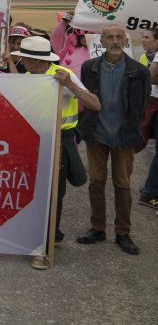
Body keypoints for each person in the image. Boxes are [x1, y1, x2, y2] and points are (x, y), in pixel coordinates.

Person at [12, 36, 100, 269]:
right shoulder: (31, 77)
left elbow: (95, 104)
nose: (20, 60)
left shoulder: (62, 74)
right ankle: (51, 235)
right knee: (37, 191)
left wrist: (69, 85)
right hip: (36, 142)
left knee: (52, 195)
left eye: (23, 57)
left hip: (60, 142)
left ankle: (44, 248)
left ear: (34, 60)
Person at [77, 25, 150, 255]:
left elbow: (143, 104)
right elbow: (86, 97)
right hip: (97, 134)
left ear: (126, 40)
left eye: (120, 37)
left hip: (124, 135)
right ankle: (98, 228)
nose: (115, 41)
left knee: (123, 184)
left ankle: (123, 233)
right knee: (96, 181)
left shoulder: (139, 71)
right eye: (110, 37)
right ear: (102, 40)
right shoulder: (89, 67)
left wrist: (132, 128)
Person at [138, 27, 158, 209]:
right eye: (143, 37)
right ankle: (150, 192)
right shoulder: (153, 57)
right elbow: (148, 77)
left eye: (147, 37)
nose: (143, 40)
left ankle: (151, 187)